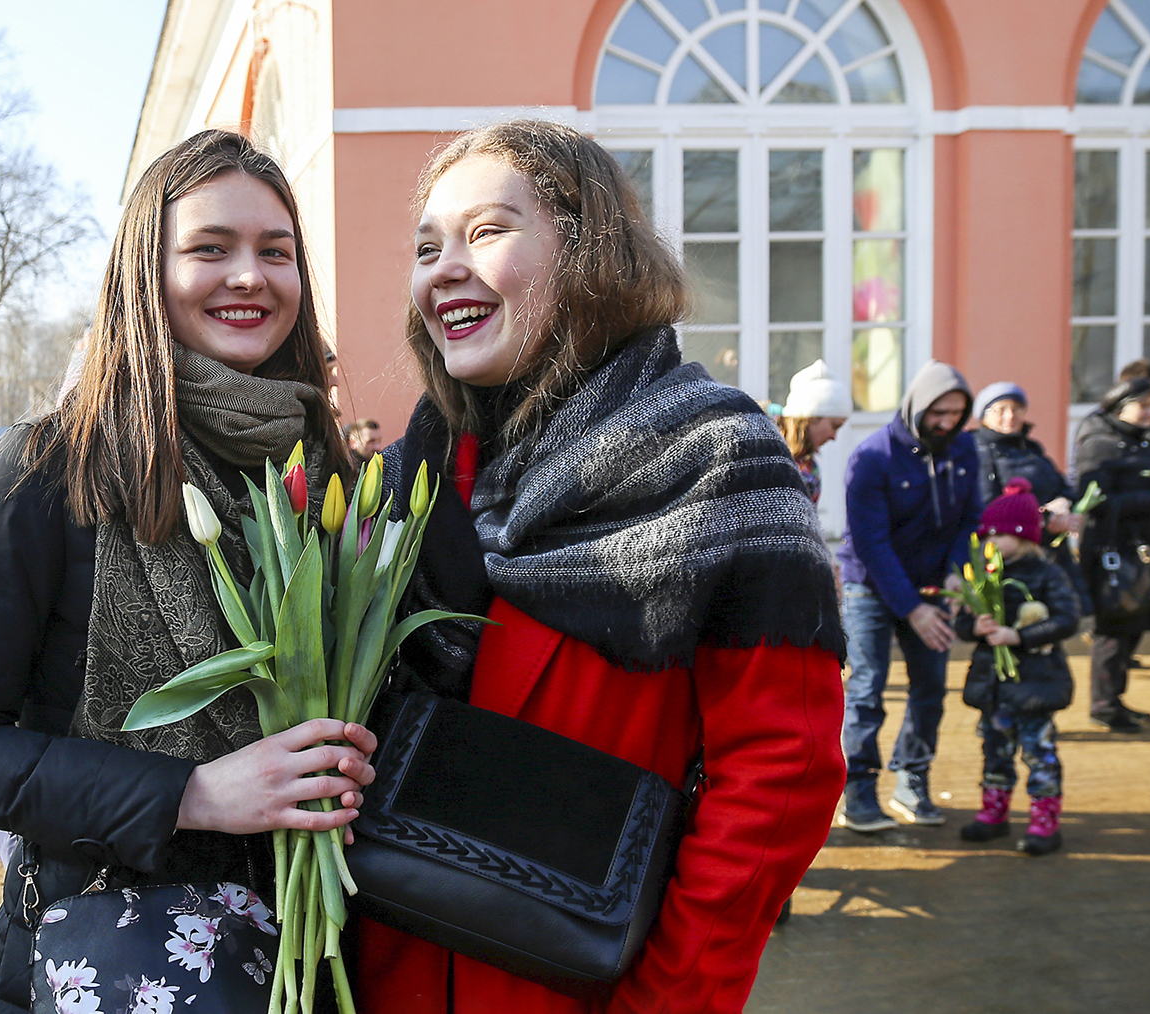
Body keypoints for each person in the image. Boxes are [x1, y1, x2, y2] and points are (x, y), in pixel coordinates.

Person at [358, 120, 846, 1013]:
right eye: (427, 246)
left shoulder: (721, 460)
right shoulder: (400, 483)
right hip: (386, 977)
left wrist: (666, 1000)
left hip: (582, 986)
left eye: (488, 231)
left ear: (589, 249)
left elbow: (782, 772)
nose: (444, 267)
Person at [0, 130, 375, 1014]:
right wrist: (192, 794)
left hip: (312, 950)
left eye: (276, 252)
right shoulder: (53, 471)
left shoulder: (319, 472)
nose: (250, 276)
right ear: (143, 272)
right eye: (210, 248)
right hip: (107, 952)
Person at [837, 360, 981, 831]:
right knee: (867, 688)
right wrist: (913, 608)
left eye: (957, 414)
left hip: (932, 586)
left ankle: (911, 778)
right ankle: (858, 789)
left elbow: (969, 520)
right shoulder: (872, 456)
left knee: (931, 689)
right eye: (939, 412)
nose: (947, 423)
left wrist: (959, 573)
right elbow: (871, 544)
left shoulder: (964, 451)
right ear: (918, 406)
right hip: (870, 587)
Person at [953, 478, 1080, 856]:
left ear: (1023, 536)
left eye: (998, 535)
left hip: (1034, 685)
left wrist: (1019, 637)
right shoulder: (982, 575)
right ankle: (994, 812)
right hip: (994, 685)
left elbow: (1067, 619)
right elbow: (964, 619)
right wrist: (974, 626)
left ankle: (1045, 821)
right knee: (994, 749)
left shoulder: (1047, 574)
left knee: (1039, 752)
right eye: (986, 534)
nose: (990, 542)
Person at [1074, 377, 1150, 732]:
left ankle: (1116, 699)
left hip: (1144, 550)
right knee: (1113, 629)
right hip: (1113, 553)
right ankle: (1103, 706)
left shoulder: (1141, 440)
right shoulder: (1100, 444)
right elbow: (1096, 501)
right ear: (1121, 407)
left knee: (1133, 627)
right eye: (1144, 405)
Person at [971, 381, 1089, 609]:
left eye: (1016, 409)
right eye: (1000, 410)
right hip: (1011, 555)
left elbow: (1063, 486)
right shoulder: (979, 451)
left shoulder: (1032, 448)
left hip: (1050, 552)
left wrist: (1064, 505)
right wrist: (1043, 517)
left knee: (1064, 617)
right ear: (983, 416)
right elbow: (988, 506)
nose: (1010, 416)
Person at [778, 359, 850, 505]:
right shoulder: (762, 454)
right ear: (811, 418)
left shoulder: (810, 468)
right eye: (834, 426)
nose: (834, 436)